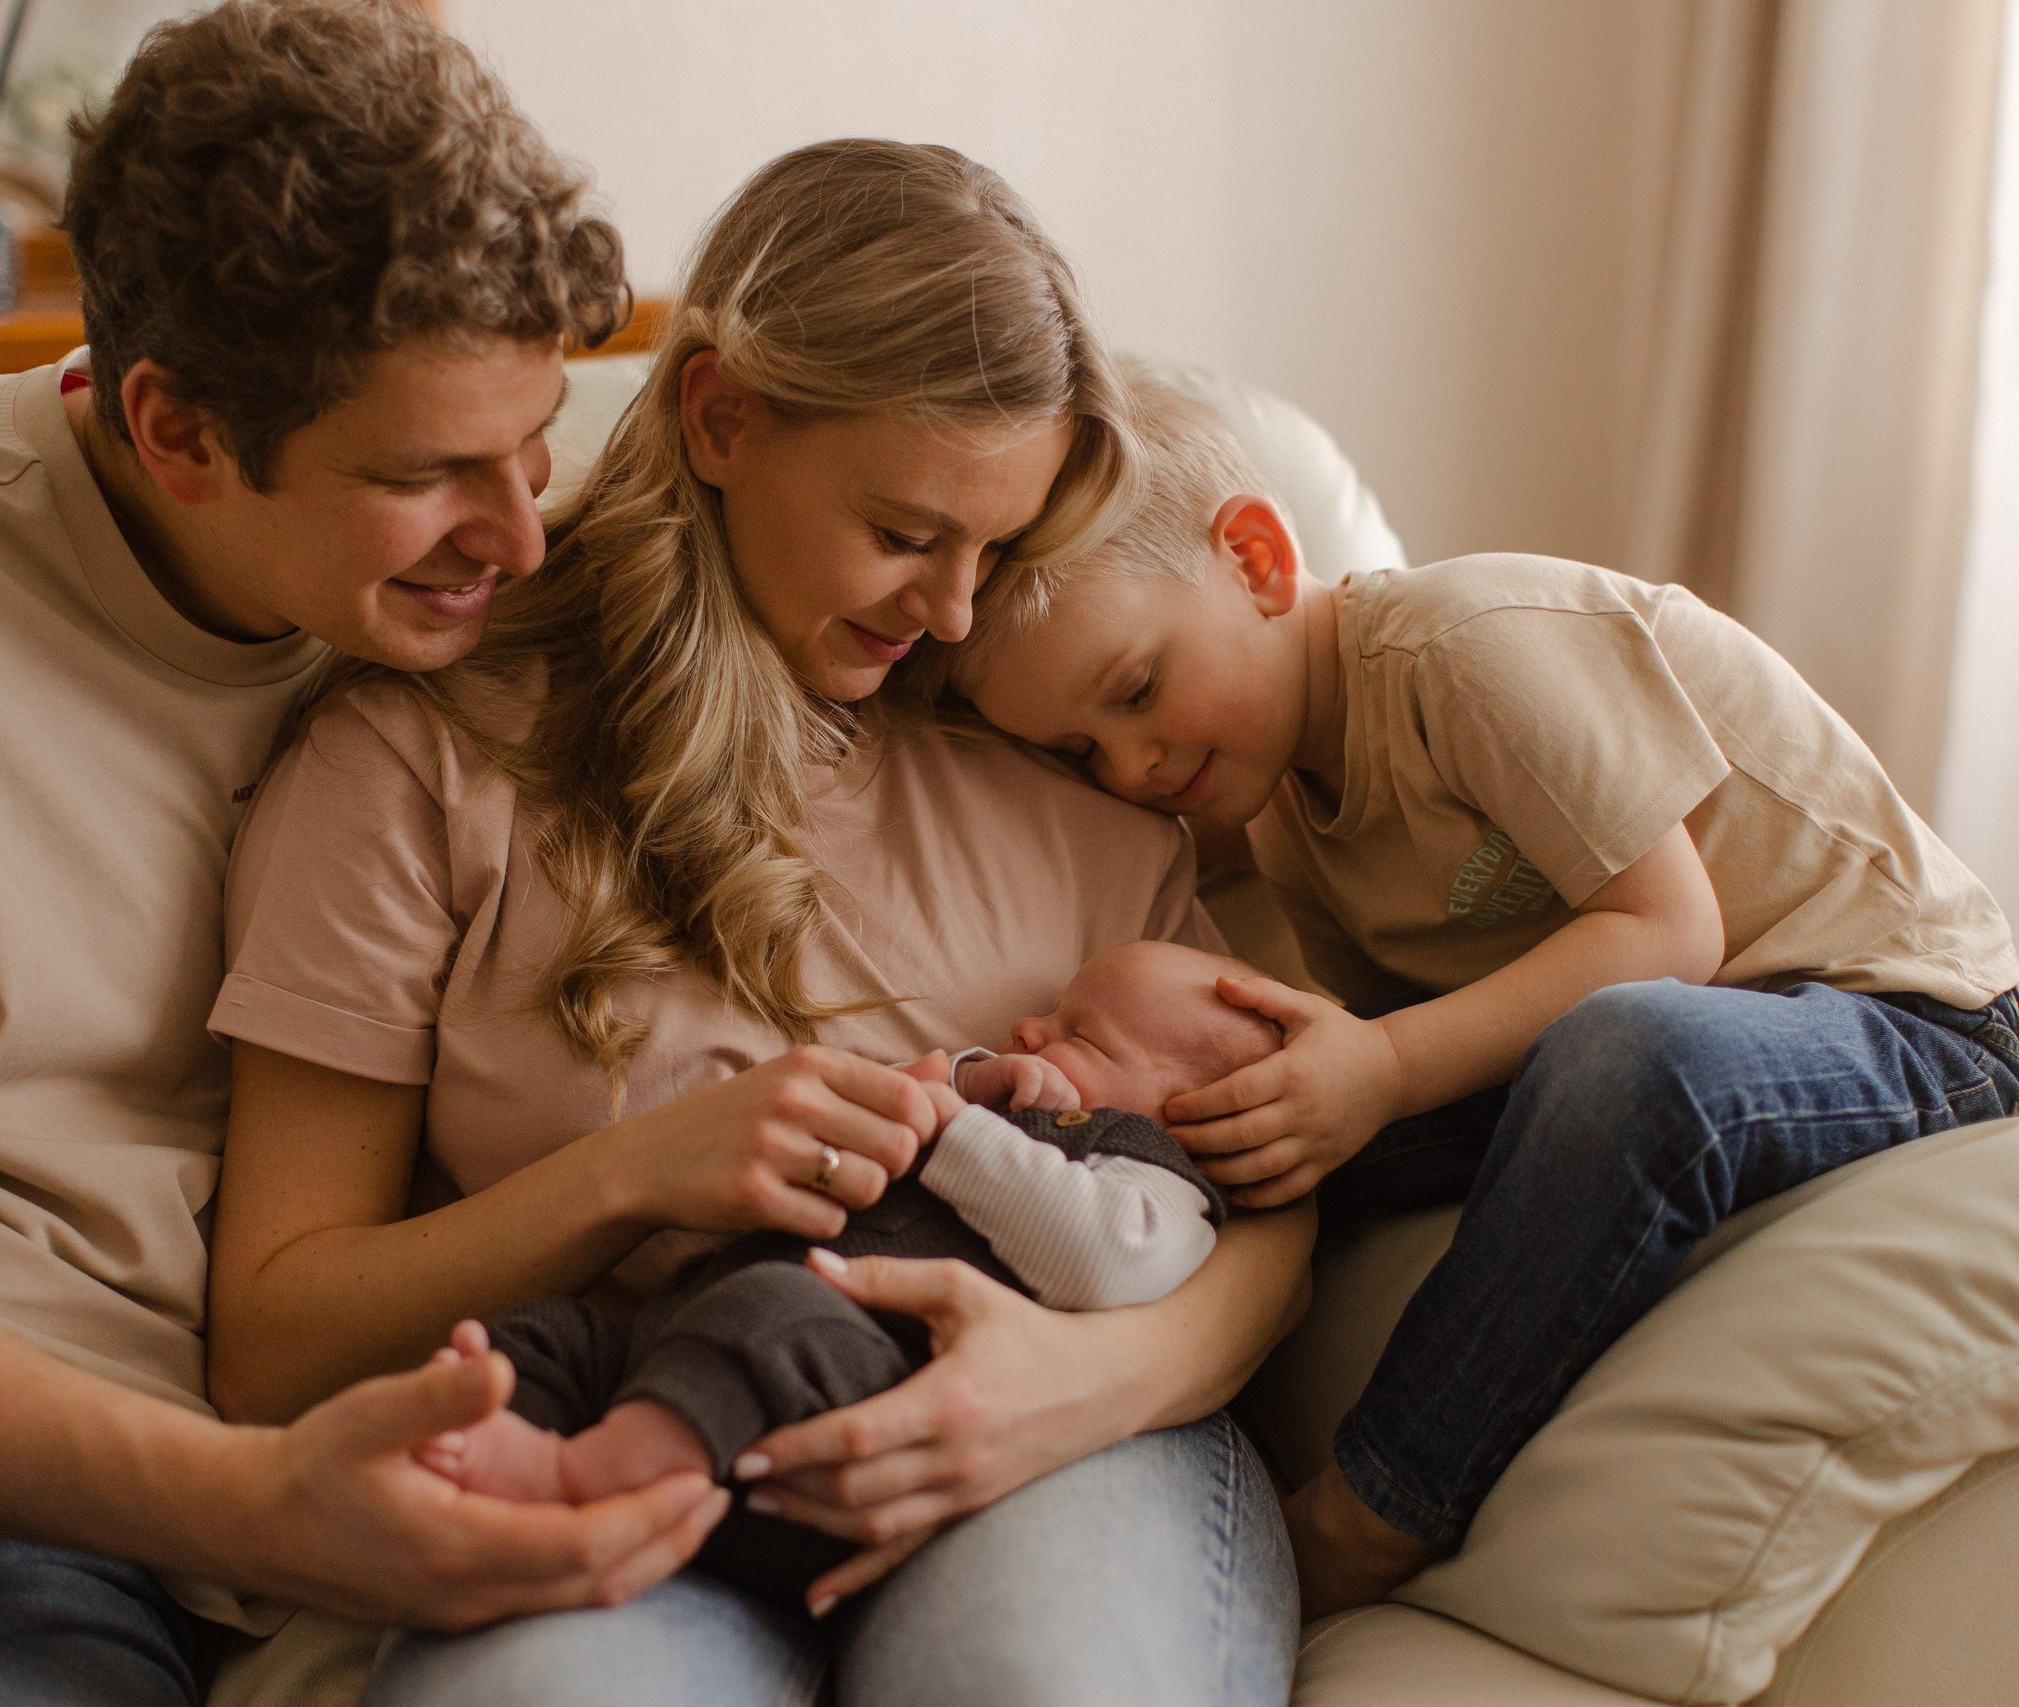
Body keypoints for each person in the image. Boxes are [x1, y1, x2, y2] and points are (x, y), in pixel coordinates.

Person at [0, 7, 734, 1703]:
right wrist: (252, 1506)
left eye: (532, 446)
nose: (521, 533)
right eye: (433, 474)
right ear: (174, 431)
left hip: (64, 1548)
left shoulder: (517, 594)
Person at [206, 143, 1309, 1707]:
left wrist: (1084, 1381)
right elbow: (268, 1338)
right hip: (631, 1433)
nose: (955, 612)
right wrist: (627, 1176)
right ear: (721, 418)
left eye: (999, 547)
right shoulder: (425, 762)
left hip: (1065, 1448)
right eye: (909, 531)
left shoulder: (1068, 747)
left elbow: (1270, 1188)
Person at [942, 374, 2019, 1615]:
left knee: (1628, 1053)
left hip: (1897, 1011)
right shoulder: (1282, 803)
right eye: (1081, 752)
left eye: (1136, 691)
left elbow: (1672, 932)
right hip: (1630, 1043)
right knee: (1249, 1112)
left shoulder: (1468, 646)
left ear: (1252, 556)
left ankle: (1373, 1511)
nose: (1131, 766)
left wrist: (1387, 1065)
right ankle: (1058, 1347)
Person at [412, 940, 1278, 1609]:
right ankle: (485, 1441)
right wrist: (960, 1082)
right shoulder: (1002, 1104)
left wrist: (954, 1131)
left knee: (766, 1313)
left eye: (1078, 1032)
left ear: (1189, 1115)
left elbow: (1111, 1259)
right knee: (554, 1333)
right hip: (688, 1344)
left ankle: (585, 1482)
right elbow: (890, 1113)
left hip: (840, 1406)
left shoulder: (1154, 1178)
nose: (1030, 1029)